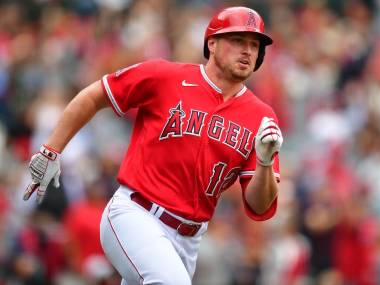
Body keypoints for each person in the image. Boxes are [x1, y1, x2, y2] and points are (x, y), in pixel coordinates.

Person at [23, 6, 283, 285]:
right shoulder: (165, 76)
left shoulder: (262, 116)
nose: (247, 51)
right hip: (136, 214)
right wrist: (51, 149)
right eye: (238, 41)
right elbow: (95, 95)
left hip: (188, 241)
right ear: (212, 43)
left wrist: (265, 164)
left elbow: (259, 206)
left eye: (254, 45)